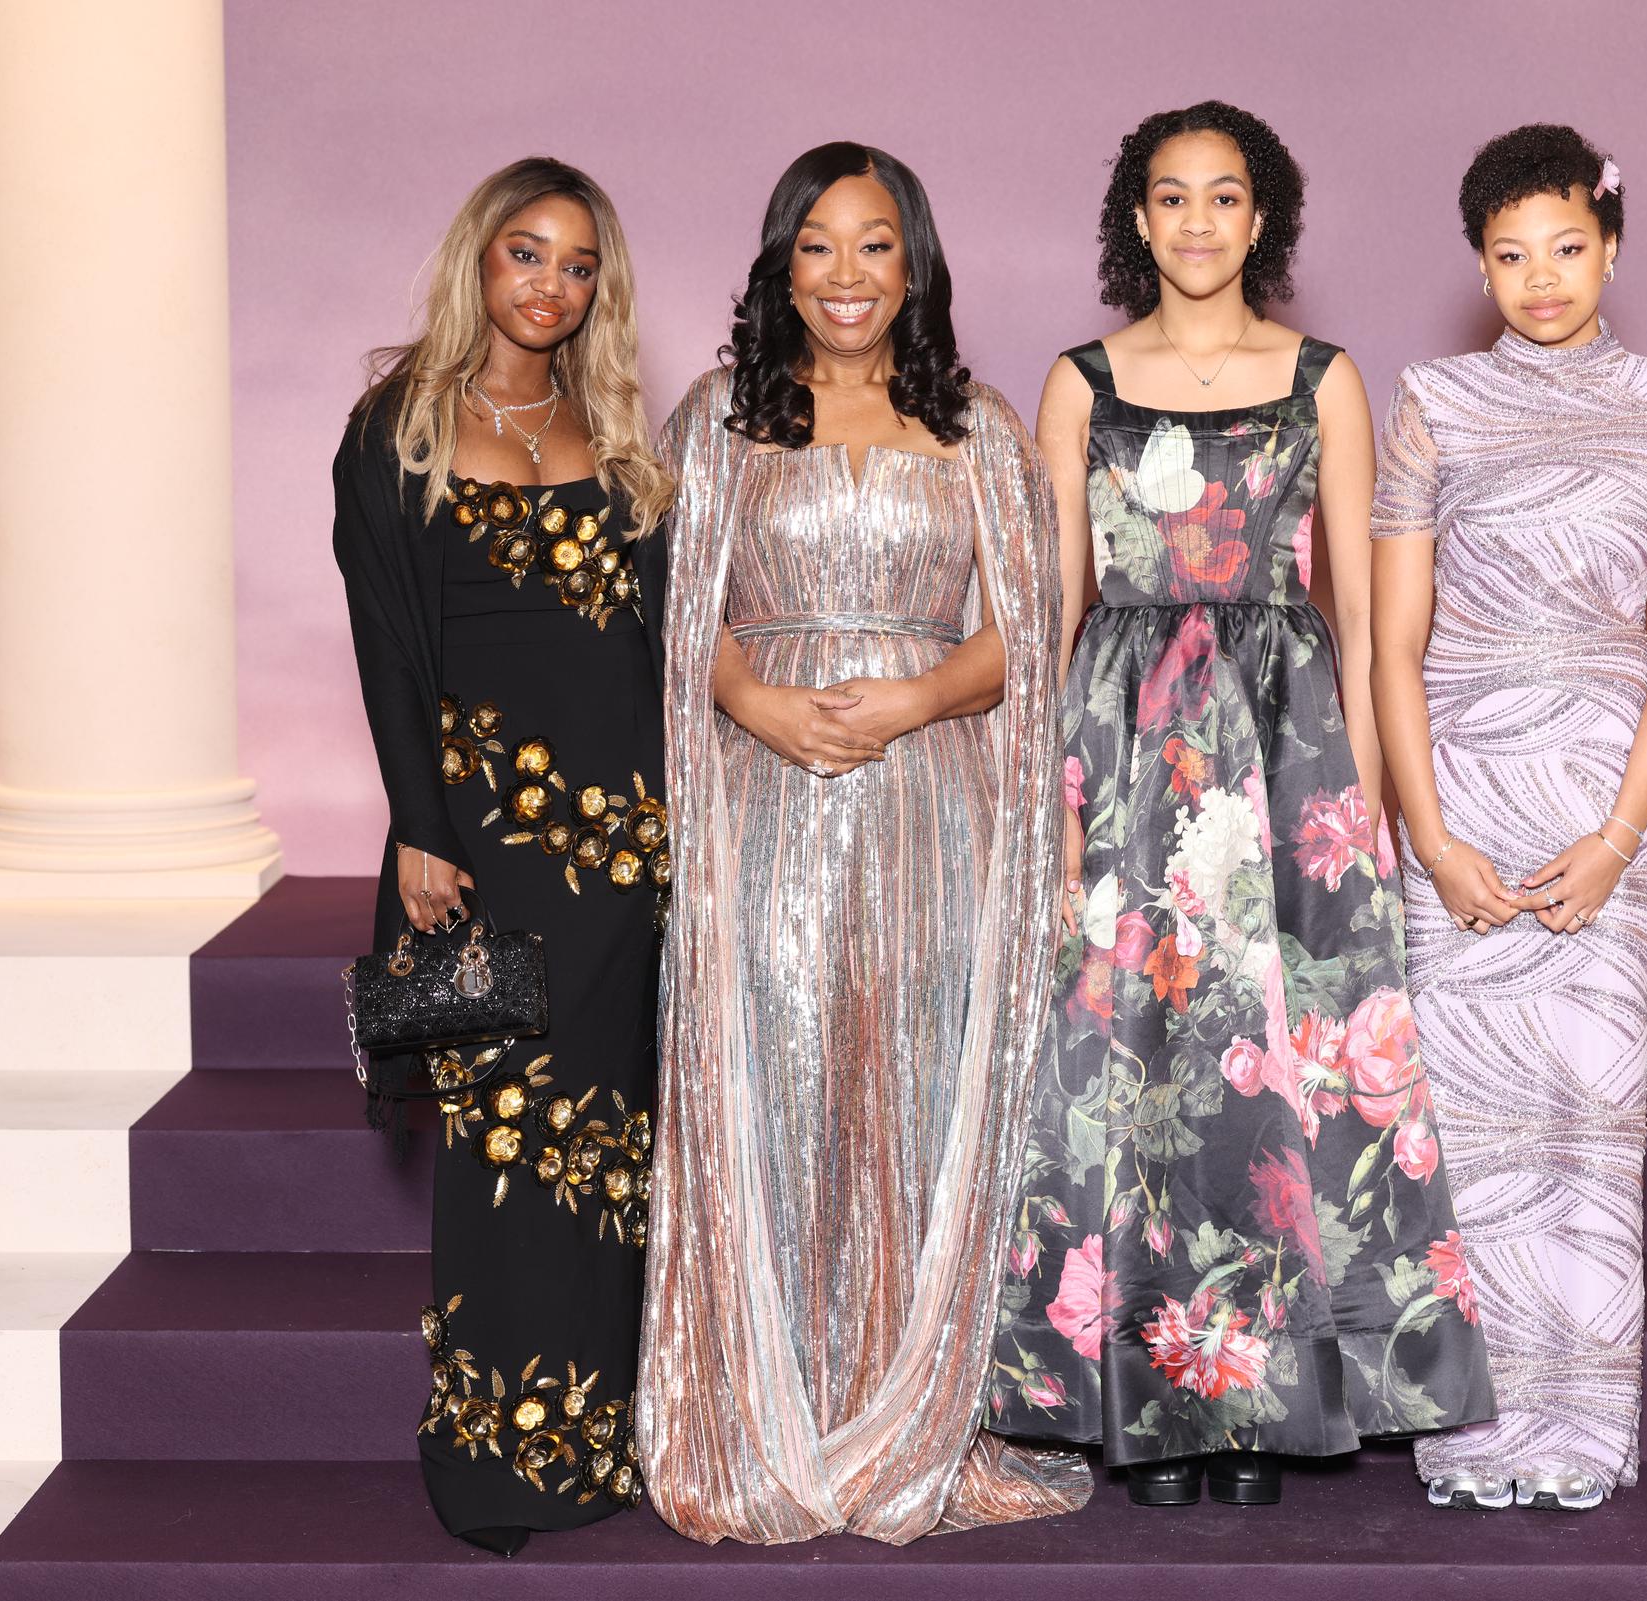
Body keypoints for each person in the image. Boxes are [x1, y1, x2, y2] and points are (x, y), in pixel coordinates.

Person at [989, 102, 1494, 1511]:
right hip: (1125, 747)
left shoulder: (1325, 378)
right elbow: (1052, 611)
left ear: (1260, 216)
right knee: (1136, 1067)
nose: (1198, 221)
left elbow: (1360, 614)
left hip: (1284, 748)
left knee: (1279, 1070)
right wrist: (1051, 799)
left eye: (1225, 195)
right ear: (1137, 218)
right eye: (1173, 196)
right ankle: (1152, 1400)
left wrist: (1365, 803)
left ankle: (1262, 1403)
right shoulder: (1080, 384)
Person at [636, 141, 1091, 1545]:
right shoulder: (718, 420)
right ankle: (765, 1413)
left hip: (929, 806)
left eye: (875, 244)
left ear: (916, 264)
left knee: (916, 1080)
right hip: (761, 804)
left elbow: (1027, 629)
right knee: (770, 1074)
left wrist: (923, 693)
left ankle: (909, 1412)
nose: (847, 274)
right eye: (818, 245)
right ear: (782, 264)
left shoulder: (978, 427)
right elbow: (672, 609)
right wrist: (753, 699)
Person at [1369, 124, 1647, 1513]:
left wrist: (1622, 835)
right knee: (1468, 1120)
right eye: (1511, 255)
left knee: (1585, 1113)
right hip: (1458, 791)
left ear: (1611, 246)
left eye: (1567, 247)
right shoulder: (1432, 401)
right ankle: (1471, 1427)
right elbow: (1395, 643)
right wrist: (1430, 837)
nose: (1542, 277)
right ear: (1480, 266)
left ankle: (1581, 1427)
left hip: (1602, 794)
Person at [332, 156, 675, 1557]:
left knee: (611, 1153)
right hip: (482, 842)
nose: (551, 285)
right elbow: (387, 645)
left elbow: (650, 642)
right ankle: (488, 1464)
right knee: (501, 1144)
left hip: (626, 846)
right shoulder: (399, 426)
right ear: (479, 257)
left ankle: (597, 1445)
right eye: (527, 253)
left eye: (578, 265)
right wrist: (419, 824)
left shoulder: (615, 426)